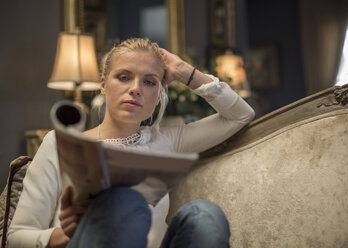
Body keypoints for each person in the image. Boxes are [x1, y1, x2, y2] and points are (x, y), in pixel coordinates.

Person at [7, 38, 255, 248]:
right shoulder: (60, 145)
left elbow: (240, 116)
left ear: (158, 94)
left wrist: (183, 71)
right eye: (124, 77)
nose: (136, 89)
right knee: (125, 201)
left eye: (149, 82)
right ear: (103, 85)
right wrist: (69, 232)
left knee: (204, 214)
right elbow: (16, 238)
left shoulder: (167, 141)